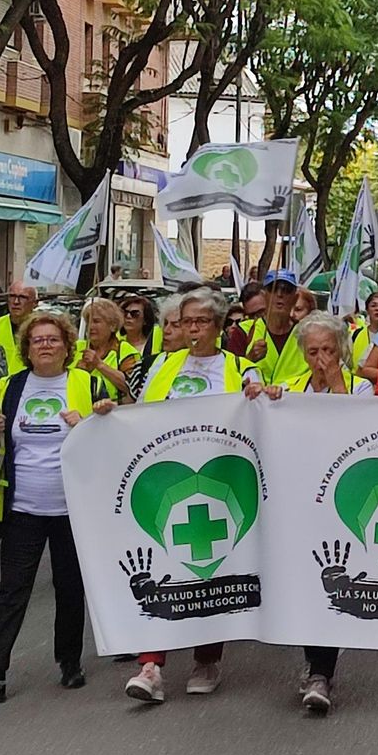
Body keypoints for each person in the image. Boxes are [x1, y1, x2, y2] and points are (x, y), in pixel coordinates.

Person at [0, 312, 114, 703]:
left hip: (73, 508)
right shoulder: (8, 388)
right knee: (12, 590)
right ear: (26, 350)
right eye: (37, 341)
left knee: (69, 587)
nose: (45, 345)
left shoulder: (87, 382)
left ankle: (69, 661)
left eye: (52, 339)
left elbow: (113, 439)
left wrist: (90, 423)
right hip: (23, 509)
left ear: (67, 346)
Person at [123, 289, 257, 702]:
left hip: (220, 485)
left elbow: (261, 423)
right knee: (161, 567)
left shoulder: (242, 369)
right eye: (185, 322)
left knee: (207, 569)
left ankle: (206, 658)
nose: (192, 329)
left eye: (201, 322)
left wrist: (263, 399)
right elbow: (140, 415)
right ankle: (151, 665)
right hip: (166, 485)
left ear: (218, 326)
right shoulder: (161, 365)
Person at [245, 312, 372, 713]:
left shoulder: (361, 387)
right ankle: (317, 667)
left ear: (343, 351)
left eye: (329, 350)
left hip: (346, 502)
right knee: (308, 582)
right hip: (300, 500)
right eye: (313, 351)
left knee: (333, 580)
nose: (321, 359)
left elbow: (363, 429)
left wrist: (336, 384)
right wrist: (261, 399)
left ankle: (321, 670)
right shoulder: (291, 391)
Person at [224, 270, 307, 385]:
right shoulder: (243, 331)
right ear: (264, 295)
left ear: (295, 297)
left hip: (294, 401)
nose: (279, 294)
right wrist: (249, 359)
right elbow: (229, 377)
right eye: (273, 288)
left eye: (286, 290)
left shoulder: (306, 334)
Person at [77, 298, 136, 401]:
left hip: (112, 411)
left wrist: (99, 365)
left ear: (112, 326)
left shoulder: (125, 351)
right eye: (88, 322)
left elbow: (131, 387)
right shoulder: (75, 348)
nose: (90, 327)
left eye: (96, 321)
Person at [0, 282, 39, 378]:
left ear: (35, 303)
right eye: (12, 296)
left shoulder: (43, 331)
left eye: (23, 297)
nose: (16, 301)